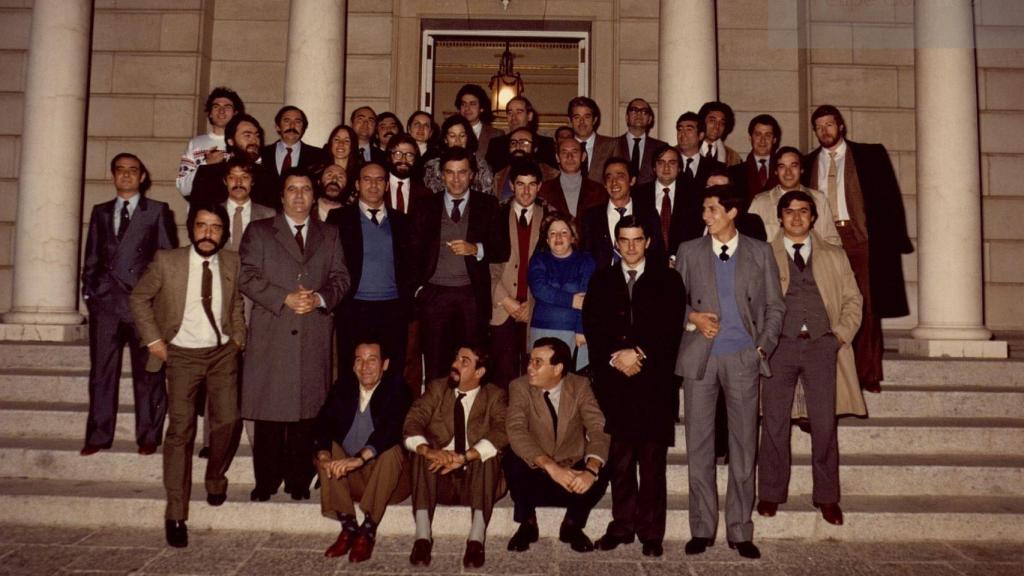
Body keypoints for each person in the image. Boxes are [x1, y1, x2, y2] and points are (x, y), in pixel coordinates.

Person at [674, 185, 785, 560]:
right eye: (704, 209)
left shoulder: (759, 251)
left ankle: (740, 529)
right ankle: (702, 528)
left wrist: (761, 348)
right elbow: (673, 301)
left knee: (742, 447)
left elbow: (775, 306)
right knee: (699, 446)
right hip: (699, 361)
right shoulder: (689, 251)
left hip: (742, 358)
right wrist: (692, 317)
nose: (705, 215)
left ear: (732, 212)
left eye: (711, 209)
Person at [129, 201, 245, 548]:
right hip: (181, 355)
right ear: (191, 229)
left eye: (215, 227)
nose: (207, 233)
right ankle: (176, 512)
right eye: (201, 226)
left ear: (223, 233)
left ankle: (215, 478)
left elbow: (235, 302)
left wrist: (238, 338)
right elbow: (139, 298)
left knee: (228, 420)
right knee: (180, 431)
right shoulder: (168, 261)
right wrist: (154, 341)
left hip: (223, 353)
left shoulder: (231, 261)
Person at [239, 167, 351, 502]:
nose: (299, 196)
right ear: (281, 195)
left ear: (314, 195)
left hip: (312, 331)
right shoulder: (259, 232)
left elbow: (341, 278)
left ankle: (298, 480)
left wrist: (318, 298)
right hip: (273, 331)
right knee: (271, 412)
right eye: (292, 189)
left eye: (305, 189)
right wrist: (283, 297)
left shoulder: (329, 234)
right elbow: (246, 275)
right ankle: (266, 481)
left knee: (307, 411)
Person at [757, 190, 865, 528]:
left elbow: (853, 299)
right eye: (789, 211)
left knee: (824, 423)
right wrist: (763, 342)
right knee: (773, 423)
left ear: (813, 216)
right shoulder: (763, 255)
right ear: (780, 216)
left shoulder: (833, 254)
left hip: (821, 345)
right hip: (779, 347)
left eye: (803, 211)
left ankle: (827, 497)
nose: (796, 217)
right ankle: (771, 493)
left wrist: (839, 337)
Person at [582, 215, 685, 558]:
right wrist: (616, 358)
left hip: (653, 383)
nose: (630, 246)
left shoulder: (668, 280)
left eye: (637, 240)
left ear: (648, 242)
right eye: (624, 240)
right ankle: (622, 526)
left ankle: (651, 532)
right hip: (616, 384)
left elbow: (670, 328)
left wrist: (638, 353)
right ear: (616, 243)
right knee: (620, 461)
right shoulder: (602, 280)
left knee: (653, 463)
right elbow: (593, 328)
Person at [802, 104, 913, 394]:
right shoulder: (808, 162)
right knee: (825, 306)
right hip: (823, 239)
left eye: (829, 124)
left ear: (841, 126)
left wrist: (892, 240)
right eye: (819, 127)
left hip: (859, 237)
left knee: (865, 304)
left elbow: (889, 199)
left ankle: (868, 373)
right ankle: (831, 374)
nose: (824, 131)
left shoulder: (869, 155)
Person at [81, 153, 177, 456]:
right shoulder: (100, 212)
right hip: (106, 305)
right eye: (120, 170)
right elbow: (92, 257)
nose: (126, 175)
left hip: (142, 307)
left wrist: (158, 303)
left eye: (132, 171)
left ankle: (148, 435)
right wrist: (92, 294)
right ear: (112, 176)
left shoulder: (157, 211)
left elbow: (167, 261)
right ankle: (98, 435)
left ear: (143, 177)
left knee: (149, 372)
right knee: (101, 373)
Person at [403, 346, 508, 569]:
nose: (455, 364)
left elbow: (502, 430)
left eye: (465, 361)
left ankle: (476, 539)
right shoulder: (437, 389)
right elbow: (413, 420)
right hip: (437, 476)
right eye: (456, 357)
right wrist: (429, 451)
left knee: (487, 452)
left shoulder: (495, 396)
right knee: (422, 448)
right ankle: (422, 538)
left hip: (477, 482)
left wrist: (465, 457)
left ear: (480, 372)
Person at [504, 338, 610, 553]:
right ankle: (527, 524)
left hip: (572, 473)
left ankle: (572, 525)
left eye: (537, 362)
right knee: (511, 456)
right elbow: (516, 430)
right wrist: (550, 466)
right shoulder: (519, 386)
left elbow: (598, 428)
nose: (529, 367)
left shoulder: (579, 386)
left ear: (558, 368)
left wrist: (590, 471)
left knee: (606, 457)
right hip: (536, 470)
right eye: (530, 360)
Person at [410, 147, 504, 381]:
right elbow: (411, 252)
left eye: (462, 172)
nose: (456, 179)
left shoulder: (489, 205)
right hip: (435, 295)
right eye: (450, 172)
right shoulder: (425, 206)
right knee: (435, 363)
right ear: (442, 174)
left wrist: (476, 249)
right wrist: (420, 290)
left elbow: (503, 248)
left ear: (472, 174)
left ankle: (470, 415)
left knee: (472, 362)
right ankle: (438, 415)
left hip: (471, 295)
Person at [315, 339, 412, 563]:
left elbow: (390, 431)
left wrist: (359, 459)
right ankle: (348, 527)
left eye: (372, 360)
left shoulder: (398, 389)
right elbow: (322, 423)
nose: (364, 366)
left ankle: (367, 530)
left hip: (390, 482)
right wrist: (324, 454)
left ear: (385, 364)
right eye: (359, 360)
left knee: (391, 451)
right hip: (352, 480)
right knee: (326, 449)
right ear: (353, 366)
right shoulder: (343, 388)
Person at [326, 162, 412, 392]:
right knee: (351, 371)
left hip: (393, 309)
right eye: (367, 179)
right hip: (353, 307)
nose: (373, 185)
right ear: (357, 184)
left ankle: (385, 424)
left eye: (379, 179)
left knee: (391, 371)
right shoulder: (338, 219)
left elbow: (412, 265)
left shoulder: (403, 221)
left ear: (386, 185)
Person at [489, 160, 547, 389]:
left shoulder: (550, 218)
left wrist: (530, 305)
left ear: (539, 186)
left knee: (536, 376)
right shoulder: (496, 216)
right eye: (520, 184)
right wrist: (506, 300)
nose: (526, 190)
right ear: (511, 186)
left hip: (536, 307)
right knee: (504, 377)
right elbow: (487, 266)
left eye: (532, 185)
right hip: (502, 308)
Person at [528, 212, 596, 372]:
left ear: (573, 237)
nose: (558, 237)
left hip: (575, 333)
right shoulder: (538, 259)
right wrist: (571, 300)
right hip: (542, 330)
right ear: (546, 240)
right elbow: (539, 289)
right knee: (542, 378)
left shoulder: (586, 261)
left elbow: (587, 298)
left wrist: (581, 329)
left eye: (564, 232)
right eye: (552, 233)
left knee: (572, 383)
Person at [579, 157, 664, 268]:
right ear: (604, 184)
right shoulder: (591, 216)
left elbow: (657, 253)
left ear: (632, 181)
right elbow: (585, 256)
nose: (614, 182)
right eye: (609, 177)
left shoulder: (648, 215)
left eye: (620, 176)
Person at [748, 146, 841, 245]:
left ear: (801, 169)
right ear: (775, 171)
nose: (788, 172)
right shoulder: (760, 202)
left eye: (794, 166)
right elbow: (749, 243)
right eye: (782, 166)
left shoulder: (819, 199)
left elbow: (832, 239)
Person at [192, 113, 279, 210]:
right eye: (247, 135)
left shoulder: (267, 175)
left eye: (257, 136)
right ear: (230, 141)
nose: (254, 141)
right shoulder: (208, 174)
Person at [176, 87, 244, 198]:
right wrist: (206, 165)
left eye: (227, 107)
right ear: (210, 113)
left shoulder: (244, 142)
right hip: (202, 211)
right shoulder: (195, 144)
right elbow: (183, 188)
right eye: (216, 106)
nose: (221, 111)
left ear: (235, 113)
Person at [422, 114, 495, 196]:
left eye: (462, 136)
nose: (457, 141)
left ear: (468, 137)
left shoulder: (481, 166)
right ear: (445, 139)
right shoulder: (432, 167)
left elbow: (487, 197)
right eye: (452, 136)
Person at [538, 137, 607, 221]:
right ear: (557, 158)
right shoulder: (543, 191)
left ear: (583, 157)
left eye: (574, 152)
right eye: (564, 152)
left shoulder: (599, 191)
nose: (569, 157)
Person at [485, 96, 557, 172]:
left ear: (529, 116)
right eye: (510, 113)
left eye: (519, 112)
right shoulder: (496, 144)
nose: (513, 117)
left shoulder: (545, 144)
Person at [259, 105, 324, 188]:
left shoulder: (317, 156)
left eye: (298, 122)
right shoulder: (263, 154)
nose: (292, 126)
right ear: (277, 127)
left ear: (303, 128)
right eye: (286, 121)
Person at [615, 98, 668, 186]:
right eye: (634, 110)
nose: (639, 114)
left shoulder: (661, 147)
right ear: (627, 117)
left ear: (650, 119)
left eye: (644, 111)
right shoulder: (613, 144)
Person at [731, 114, 781, 202]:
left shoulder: (784, 170)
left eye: (768, 135)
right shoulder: (734, 173)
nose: (762, 140)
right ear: (750, 138)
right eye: (758, 135)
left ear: (774, 140)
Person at [568, 96, 618, 182]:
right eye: (577, 117)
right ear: (570, 121)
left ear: (594, 120)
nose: (582, 122)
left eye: (587, 117)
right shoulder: (562, 148)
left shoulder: (611, 146)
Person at [383, 133, 431, 215]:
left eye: (409, 155)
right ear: (389, 156)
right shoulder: (378, 187)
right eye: (398, 154)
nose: (403, 160)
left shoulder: (425, 194)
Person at [455, 84, 504, 162]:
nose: (467, 108)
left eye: (472, 104)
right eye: (463, 104)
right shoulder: (451, 134)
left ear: (481, 108)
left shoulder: (496, 135)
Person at [698, 101, 742, 166]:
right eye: (712, 121)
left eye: (722, 123)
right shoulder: (684, 151)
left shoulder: (733, 157)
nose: (717, 126)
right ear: (702, 122)